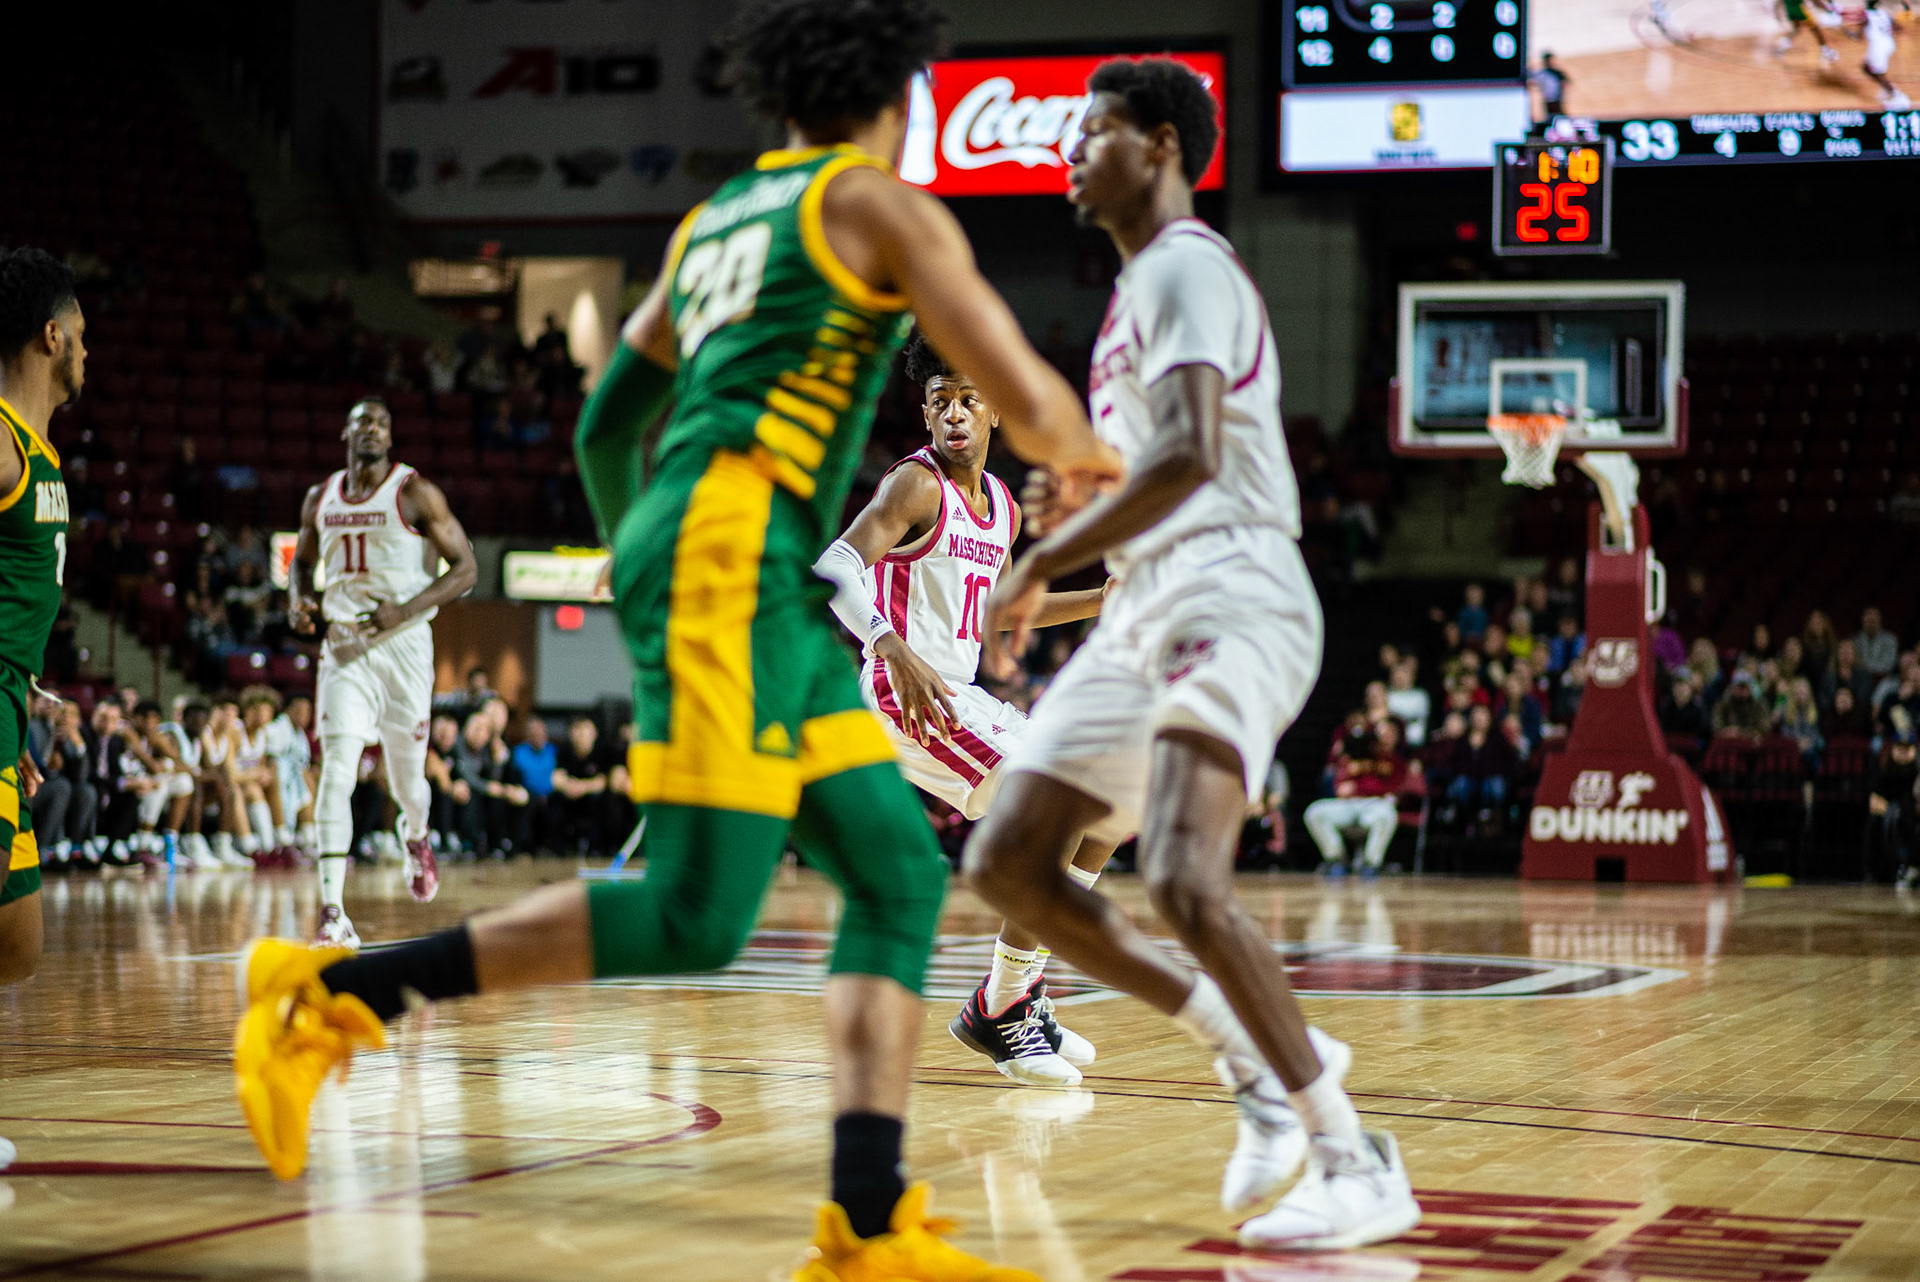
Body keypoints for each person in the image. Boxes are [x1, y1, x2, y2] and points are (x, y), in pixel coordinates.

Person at [230, 7, 1116, 1279]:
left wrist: (644, 565)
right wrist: (1114, 469)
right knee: (697, 909)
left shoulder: (719, 222)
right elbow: (1031, 397)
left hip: (721, 563)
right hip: (730, 566)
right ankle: (327, 998)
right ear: (896, 99)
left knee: (897, 875)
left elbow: (605, 423)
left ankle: (867, 1228)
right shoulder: (877, 203)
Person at [962, 58, 1419, 1250]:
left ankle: (1351, 1154)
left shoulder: (1186, 265)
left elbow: (1196, 461)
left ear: (1162, 145)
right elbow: (1147, 467)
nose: (1070, 150)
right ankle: (1261, 1049)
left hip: (1237, 587)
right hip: (1145, 608)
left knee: (1180, 874)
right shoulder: (1131, 300)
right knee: (1009, 859)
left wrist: (1034, 563)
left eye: (1095, 130)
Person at [812, 330, 1112, 1087]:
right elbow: (835, 567)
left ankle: (1015, 996)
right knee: (1057, 806)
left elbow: (999, 611)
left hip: (962, 694)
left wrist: (1100, 600)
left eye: (969, 400)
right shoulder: (914, 488)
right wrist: (886, 642)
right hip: (904, 693)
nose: (954, 414)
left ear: (993, 413)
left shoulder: (1001, 505)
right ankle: (1002, 1008)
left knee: (1106, 809)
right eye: (940, 401)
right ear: (926, 413)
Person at [292, 397, 478, 946]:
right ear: (345, 433)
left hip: (404, 648)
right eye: (362, 422)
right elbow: (301, 565)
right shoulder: (318, 497)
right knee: (338, 769)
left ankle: (415, 833)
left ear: (390, 438)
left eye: (381, 423)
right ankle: (331, 910)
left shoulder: (415, 492)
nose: (371, 429)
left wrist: (408, 607)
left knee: (407, 781)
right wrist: (297, 600)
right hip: (346, 649)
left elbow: (466, 567)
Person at [0, 247, 86, 989]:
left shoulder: (41, 453)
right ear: (51, 337)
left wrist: (19, 703)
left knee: (15, 944)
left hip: (7, 701)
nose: (88, 350)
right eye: (82, 334)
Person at [1304, 721, 1415, 878]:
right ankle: (1336, 859)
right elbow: (1339, 787)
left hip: (1374, 805)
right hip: (1348, 805)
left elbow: (1391, 789)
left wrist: (1359, 783)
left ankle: (1371, 863)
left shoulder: (1396, 762)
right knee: (1314, 812)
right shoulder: (1353, 756)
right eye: (1380, 735)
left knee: (1387, 813)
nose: (1384, 739)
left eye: (1389, 735)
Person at [547, 715, 621, 855]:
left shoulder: (603, 751)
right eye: (577, 730)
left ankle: (597, 848)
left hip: (592, 797)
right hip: (571, 796)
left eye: (584, 730)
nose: (580, 735)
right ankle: (558, 848)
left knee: (606, 802)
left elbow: (604, 781)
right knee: (554, 800)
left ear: (594, 734)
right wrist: (567, 786)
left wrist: (583, 786)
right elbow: (557, 777)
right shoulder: (565, 751)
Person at [1444, 703, 1516, 832]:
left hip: (1489, 778)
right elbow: (1455, 764)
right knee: (1461, 784)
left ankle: (1490, 815)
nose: (1479, 721)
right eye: (1476, 718)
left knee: (1495, 785)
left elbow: (1508, 762)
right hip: (1469, 779)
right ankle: (1463, 818)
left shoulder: (1497, 740)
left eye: (1482, 718)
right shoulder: (1462, 740)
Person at [1868, 710, 1918, 887]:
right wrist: (1891, 810)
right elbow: (1873, 800)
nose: (1903, 753)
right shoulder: (1884, 770)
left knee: (1909, 820)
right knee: (1881, 823)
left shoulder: (1916, 771)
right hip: (1890, 811)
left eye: (1908, 749)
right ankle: (1886, 870)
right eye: (1899, 748)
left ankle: (1910, 866)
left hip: (1911, 812)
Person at [509, 717, 557, 851]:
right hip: (528, 794)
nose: (539, 736)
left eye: (541, 733)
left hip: (550, 795)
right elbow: (520, 777)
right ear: (528, 735)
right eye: (535, 734)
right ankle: (524, 847)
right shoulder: (519, 752)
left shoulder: (553, 751)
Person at [1862, 0, 1912, 110]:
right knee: (1866, 67)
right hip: (1888, 43)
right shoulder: (1883, 13)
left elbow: (1858, 35)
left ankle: (1898, 96)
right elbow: (1898, 28)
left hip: (1878, 46)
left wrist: (1847, 33)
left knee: (1879, 73)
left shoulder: (1866, 15)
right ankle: (1886, 89)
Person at [1774, 0, 1840, 63]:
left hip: (1790, 10)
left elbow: (1779, 2)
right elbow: (1815, 1)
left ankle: (1782, 45)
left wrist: (1777, 14)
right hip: (1800, 10)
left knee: (1796, 29)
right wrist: (1827, 8)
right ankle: (1826, 52)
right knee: (1816, 29)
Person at [1384, 657, 1429, 747]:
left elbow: (1417, 716)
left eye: (1403, 672)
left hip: (1414, 743)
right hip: (1391, 744)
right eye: (1396, 673)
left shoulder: (1420, 696)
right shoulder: (1386, 695)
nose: (1399, 676)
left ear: (1411, 676)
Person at [1713, 671, 1771, 740]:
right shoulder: (1722, 705)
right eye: (1739, 687)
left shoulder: (1759, 705)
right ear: (1732, 688)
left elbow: (1764, 727)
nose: (1742, 691)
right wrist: (1727, 731)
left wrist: (1743, 733)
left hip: (1752, 742)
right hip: (1729, 742)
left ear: (1750, 688)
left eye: (1745, 687)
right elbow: (1716, 727)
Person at [1854, 607, 1899, 683]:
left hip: (1884, 680)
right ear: (1863, 620)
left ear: (1880, 620)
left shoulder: (1890, 641)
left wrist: (1865, 669)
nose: (1871, 623)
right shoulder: (1855, 641)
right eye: (1868, 620)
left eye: (1873, 620)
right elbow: (1854, 665)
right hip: (1859, 680)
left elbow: (1888, 665)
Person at [1530, 52, 1570, 121]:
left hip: (1556, 99)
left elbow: (1566, 82)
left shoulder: (1556, 73)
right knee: (1550, 117)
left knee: (1559, 117)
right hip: (1548, 99)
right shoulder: (1542, 73)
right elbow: (1533, 80)